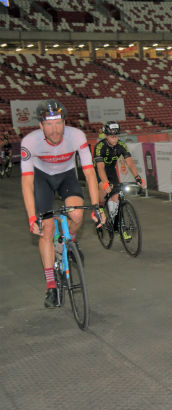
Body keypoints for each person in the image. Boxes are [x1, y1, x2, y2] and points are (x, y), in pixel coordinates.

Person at [20, 99, 105, 308]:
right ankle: (51, 285)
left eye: (58, 123)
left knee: (76, 214)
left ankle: (68, 241)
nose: (55, 129)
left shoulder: (77, 136)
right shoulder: (30, 142)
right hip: (42, 179)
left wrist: (96, 207)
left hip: (67, 176)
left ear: (65, 122)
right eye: (49, 124)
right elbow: (27, 182)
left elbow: (89, 173)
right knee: (46, 229)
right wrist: (32, 217)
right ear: (40, 125)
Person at [93, 121, 145, 231]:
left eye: (116, 136)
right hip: (99, 171)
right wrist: (106, 183)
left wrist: (137, 177)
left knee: (115, 196)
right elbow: (100, 168)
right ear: (106, 136)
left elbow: (130, 162)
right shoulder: (100, 146)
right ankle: (100, 208)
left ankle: (115, 221)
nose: (115, 139)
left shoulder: (121, 145)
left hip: (111, 170)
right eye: (112, 137)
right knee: (104, 188)